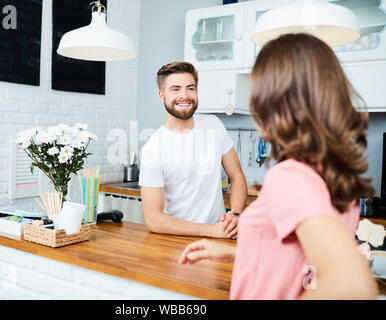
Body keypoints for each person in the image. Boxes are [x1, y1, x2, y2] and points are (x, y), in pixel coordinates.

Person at [179, 33, 379, 299]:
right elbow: (300, 260)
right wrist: (237, 253)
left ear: (272, 99)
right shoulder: (336, 174)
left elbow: (350, 282)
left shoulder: (290, 177)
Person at [139, 62, 247, 239]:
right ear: (161, 95)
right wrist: (213, 231)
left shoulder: (214, 125)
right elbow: (154, 220)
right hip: (177, 242)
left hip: (221, 238)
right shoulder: (153, 148)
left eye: (190, 88)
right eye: (175, 89)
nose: (184, 95)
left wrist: (235, 215)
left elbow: (236, 176)